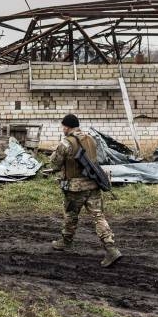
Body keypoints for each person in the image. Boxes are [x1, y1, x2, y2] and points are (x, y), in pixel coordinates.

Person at [49, 113, 122, 267]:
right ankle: (111, 248)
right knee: (98, 216)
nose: (62, 129)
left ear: (67, 127)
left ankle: (65, 241)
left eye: (63, 126)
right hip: (93, 184)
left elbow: (55, 164)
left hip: (75, 188)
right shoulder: (91, 139)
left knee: (70, 215)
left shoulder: (66, 143)